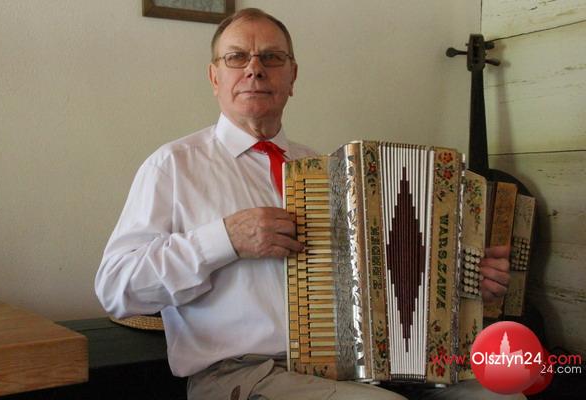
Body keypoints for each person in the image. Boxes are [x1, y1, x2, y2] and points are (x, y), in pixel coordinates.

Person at [95, 8, 523, 400]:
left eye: (271, 57)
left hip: (361, 365)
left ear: (292, 76)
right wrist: (225, 239)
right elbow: (116, 289)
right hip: (241, 373)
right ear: (214, 77)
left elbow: (380, 275)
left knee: (503, 394)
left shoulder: (330, 170)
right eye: (237, 57)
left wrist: (461, 278)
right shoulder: (173, 166)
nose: (255, 69)